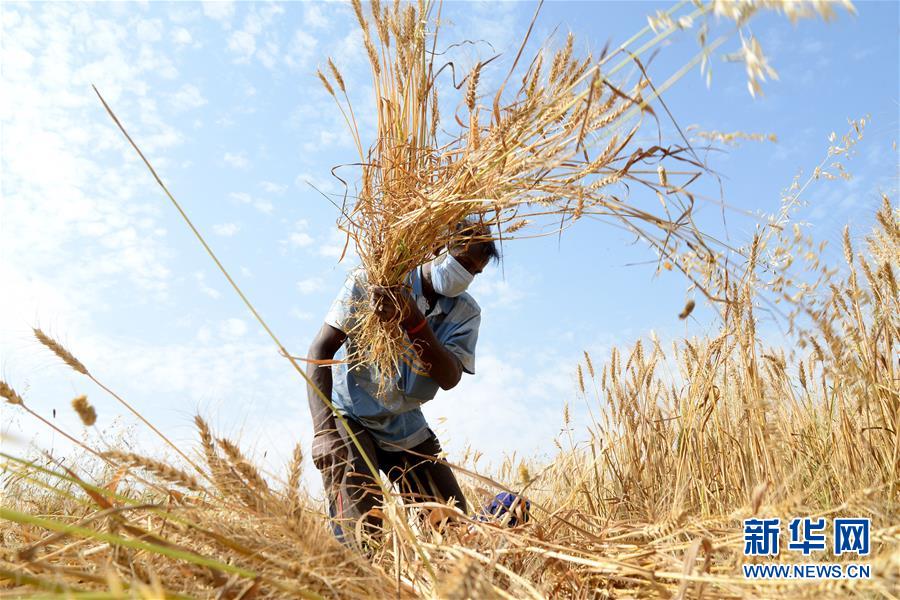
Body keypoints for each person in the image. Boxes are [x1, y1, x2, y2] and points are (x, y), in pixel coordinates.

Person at [306, 220, 499, 542]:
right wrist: (324, 431)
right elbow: (320, 350)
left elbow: (449, 377)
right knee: (362, 524)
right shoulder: (373, 282)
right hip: (350, 416)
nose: (466, 276)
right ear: (438, 249)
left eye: (475, 272)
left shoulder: (465, 312)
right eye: (463, 263)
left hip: (404, 423)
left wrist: (413, 321)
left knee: (450, 523)